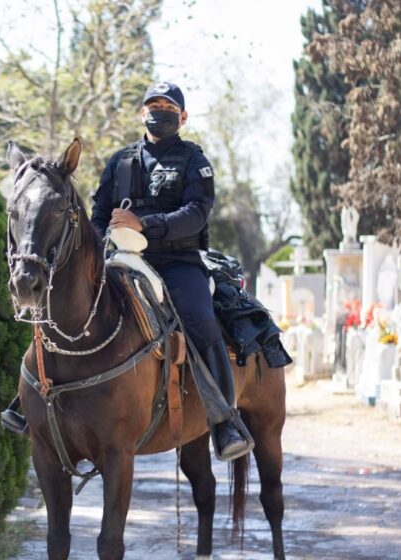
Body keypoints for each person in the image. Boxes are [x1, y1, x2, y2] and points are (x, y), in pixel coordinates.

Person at [90, 81, 252, 461]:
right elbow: (98, 213)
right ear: (140, 113)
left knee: (201, 319)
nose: (158, 110)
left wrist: (145, 224)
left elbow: (196, 213)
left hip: (178, 263)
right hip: (122, 259)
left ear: (182, 116)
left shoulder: (195, 160)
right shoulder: (120, 161)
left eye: (167, 105)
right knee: (74, 301)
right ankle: (34, 398)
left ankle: (224, 420)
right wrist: (101, 245)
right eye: (152, 104)